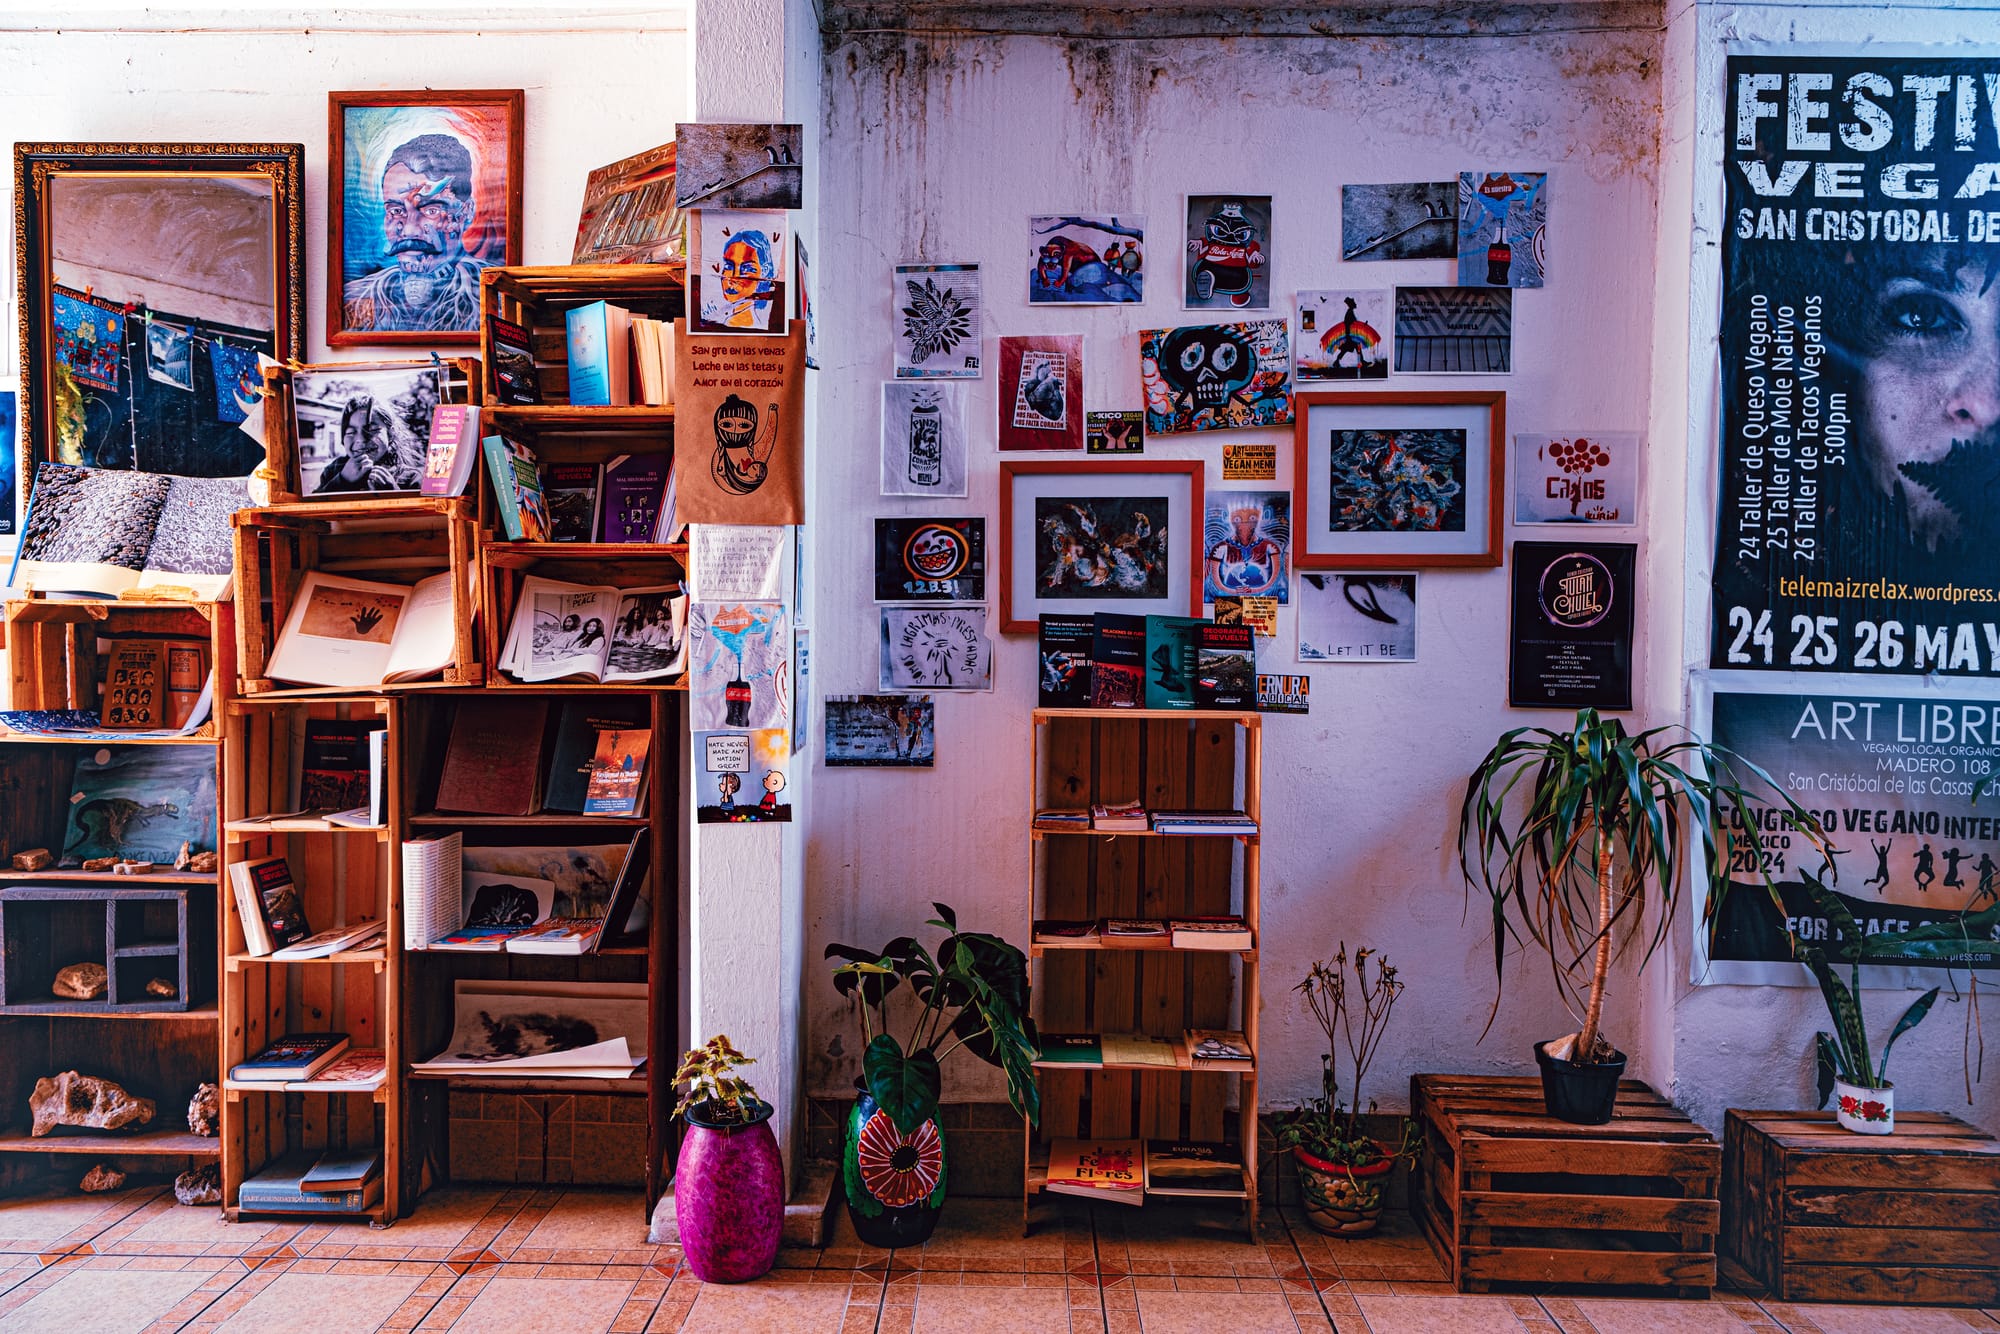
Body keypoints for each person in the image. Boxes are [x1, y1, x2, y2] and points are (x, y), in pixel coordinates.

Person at [342, 132, 490, 334]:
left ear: (466, 211)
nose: (409, 230)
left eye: (432, 211)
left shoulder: (495, 300)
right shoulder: (356, 299)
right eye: (396, 211)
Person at [313, 393, 424, 492]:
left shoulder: (411, 478)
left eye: (372, 430)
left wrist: (394, 495)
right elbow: (314, 506)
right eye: (351, 432)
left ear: (390, 434)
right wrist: (342, 481)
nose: (361, 439)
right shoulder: (333, 471)